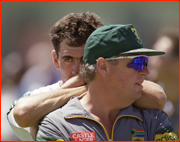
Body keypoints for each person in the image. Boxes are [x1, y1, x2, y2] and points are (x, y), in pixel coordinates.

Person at [7, 13, 166, 141]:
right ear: (55, 60)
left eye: (85, 60)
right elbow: (21, 114)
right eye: (68, 59)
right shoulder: (41, 95)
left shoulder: (121, 87)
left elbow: (158, 97)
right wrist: (88, 87)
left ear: (101, 61)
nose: (77, 70)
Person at [146, 25, 179, 136]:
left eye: (159, 55)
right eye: (152, 53)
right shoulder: (145, 101)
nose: (151, 60)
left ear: (177, 63)